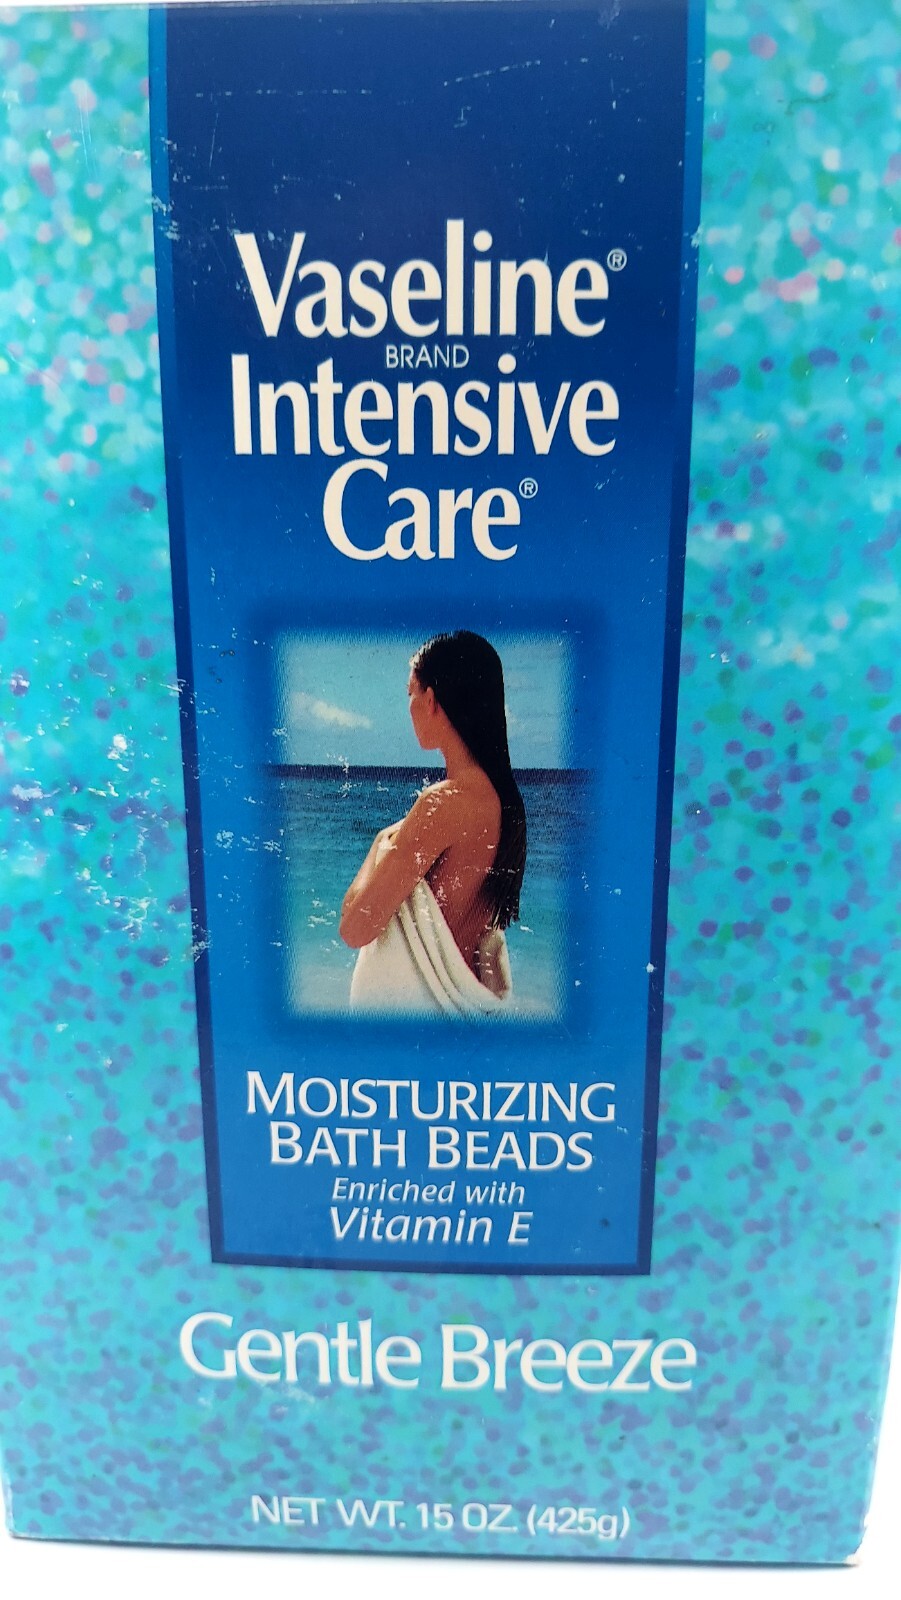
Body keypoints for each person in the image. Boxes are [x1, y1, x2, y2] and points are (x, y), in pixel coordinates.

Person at [340, 631, 527, 1016]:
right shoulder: (502, 803)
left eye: (410, 693)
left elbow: (354, 929)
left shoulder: (443, 803)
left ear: (431, 700)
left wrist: (381, 842)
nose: (409, 706)